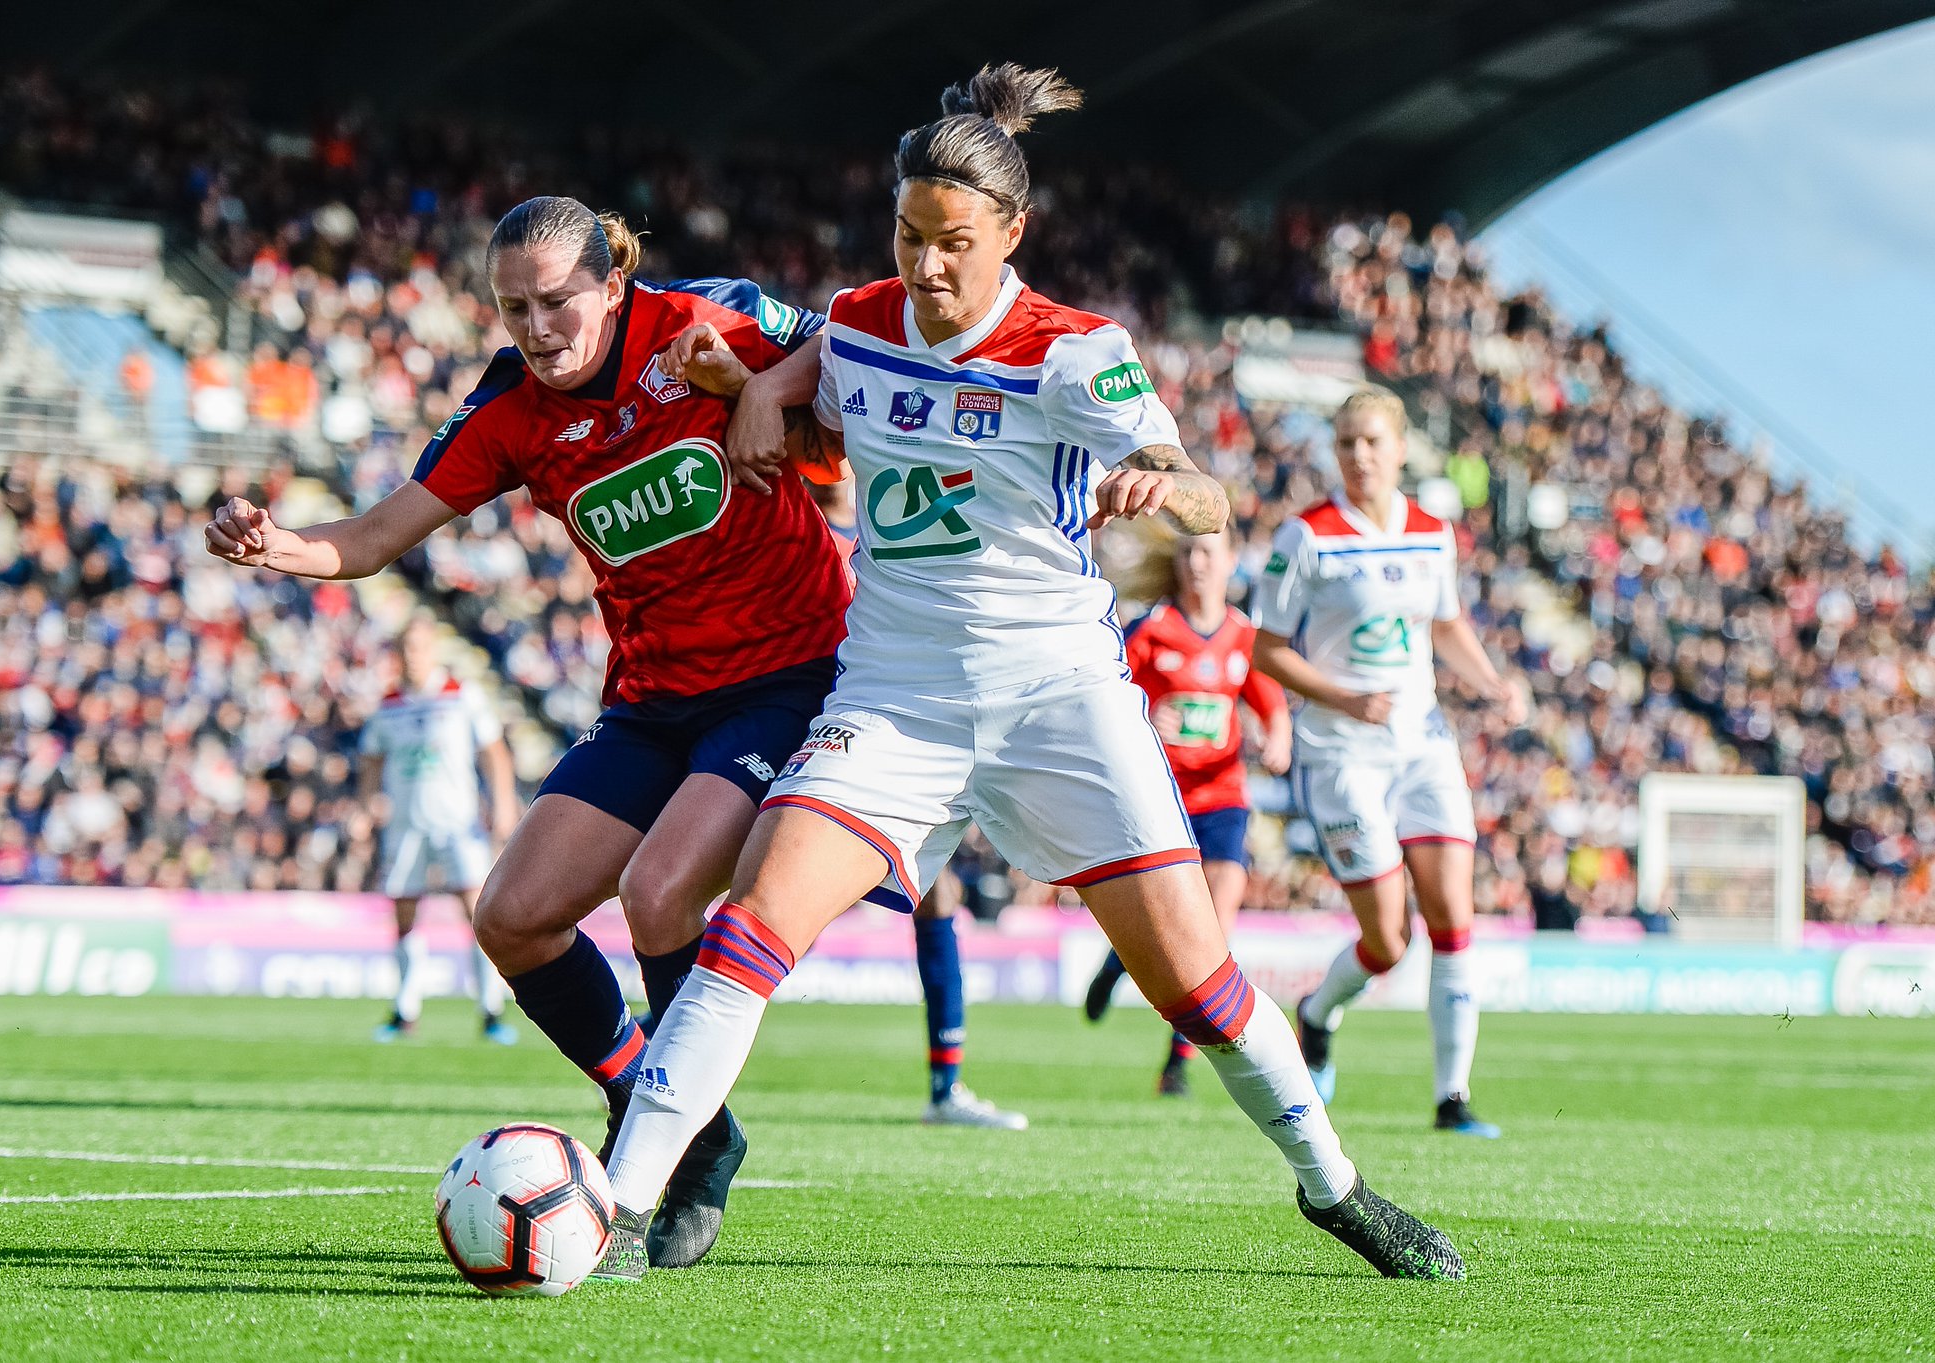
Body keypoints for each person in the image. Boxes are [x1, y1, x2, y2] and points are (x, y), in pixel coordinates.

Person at [595, 64, 1464, 1283]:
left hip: (1058, 703)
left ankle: (1336, 1187)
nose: (926, 265)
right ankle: (622, 1210)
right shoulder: (857, 320)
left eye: (952, 242)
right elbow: (826, 416)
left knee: (1199, 990)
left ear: (1013, 231)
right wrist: (751, 394)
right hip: (893, 701)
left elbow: (1203, 493)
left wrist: (1164, 483)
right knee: (749, 924)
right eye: (908, 235)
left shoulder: (1074, 352)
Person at [202, 196, 852, 1270]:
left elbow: (854, 341)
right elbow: (374, 536)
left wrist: (760, 390)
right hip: (653, 694)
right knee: (511, 918)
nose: (538, 327)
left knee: (657, 892)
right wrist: (276, 544)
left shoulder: (702, 320)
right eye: (514, 308)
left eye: (558, 301)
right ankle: (667, 1106)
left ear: (613, 284)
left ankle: (677, 1147)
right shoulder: (508, 410)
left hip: (788, 671)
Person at [1251, 389, 1527, 1138]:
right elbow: (1266, 649)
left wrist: (1492, 682)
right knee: (1388, 941)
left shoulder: (1433, 533)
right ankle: (1317, 1012)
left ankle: (1452, 1098)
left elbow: (1446, 625)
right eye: (1346, 442)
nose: (1358, 455)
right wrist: (1342, 698)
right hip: (1342, 754)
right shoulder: (1306, 536)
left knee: (1454, 918)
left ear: (1401, 448)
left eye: (1372, 441)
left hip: (1422, 745)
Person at [811, 475, 1027, 1131]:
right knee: (777, 900)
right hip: (813, 720)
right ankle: (665, 1030)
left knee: (935, 896)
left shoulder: (895, 521)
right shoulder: (794, 521)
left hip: (888, 728)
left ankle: (946, 1087)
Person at [1082, 527, 1292, 1096]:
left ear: (1229, 562)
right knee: (1165, 921)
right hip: (1160, 796)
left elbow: (1272, 705)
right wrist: (1149, 714)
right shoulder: (1151, 629)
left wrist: (1277, 738)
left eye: (1207, 553)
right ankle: (1118, 961)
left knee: (1214, 930)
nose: (1196, 563)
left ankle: (1177, 1063)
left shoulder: (1244, 636)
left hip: (1222, 799)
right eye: (1187, 553)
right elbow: (1106, 697)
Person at [359, 616, 520, 1043]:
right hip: (406, 825)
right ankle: (404, 1010)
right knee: (404, 912)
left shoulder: (461, 696)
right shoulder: (389, 705)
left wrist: (503, 804)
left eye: (417, 647)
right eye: (404, 648)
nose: (411, 656)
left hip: (457, 823)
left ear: (432, 649)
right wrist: (369, 800)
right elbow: (371, 758)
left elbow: (494, 752)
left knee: (477, 912)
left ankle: (491, 1009)